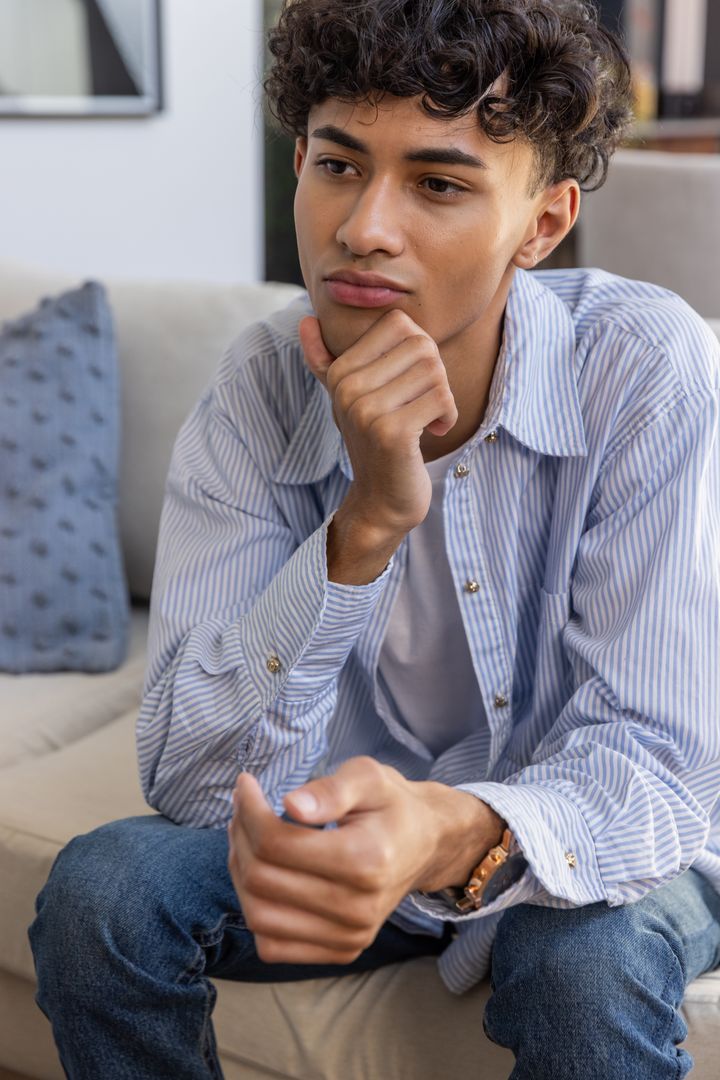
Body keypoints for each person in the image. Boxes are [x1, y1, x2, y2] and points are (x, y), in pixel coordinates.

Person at [29, 0, 720, 1076]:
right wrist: (365, 525)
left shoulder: (642, 367)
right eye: (340, 166)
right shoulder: (258, 386)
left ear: (541, 224)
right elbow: (193, 784)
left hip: (606, 840)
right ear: (300, 162)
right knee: (103, 894)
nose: (364, 228)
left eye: (438, 184)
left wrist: (444, 830)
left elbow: (656, 767)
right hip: (361, 839)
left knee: (581, 963)